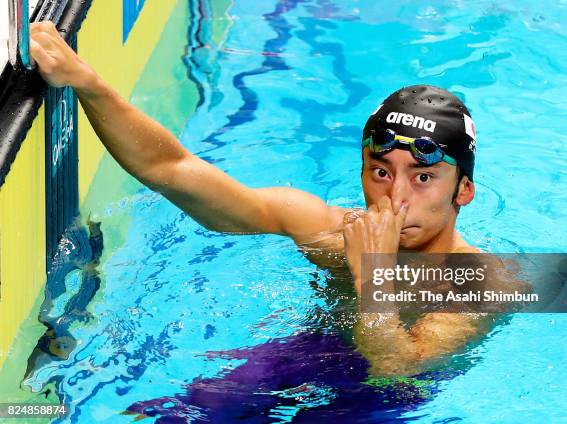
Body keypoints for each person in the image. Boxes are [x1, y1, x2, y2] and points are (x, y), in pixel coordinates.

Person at [29, 22, 492, 379]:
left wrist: (372, 279)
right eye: (381, 172)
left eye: (424, 176)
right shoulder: (329, 229)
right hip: (302, 358)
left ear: (463, 190)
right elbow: (170, 170)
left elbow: (397, 375)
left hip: (384, 404)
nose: (396, 197)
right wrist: (86, 82)